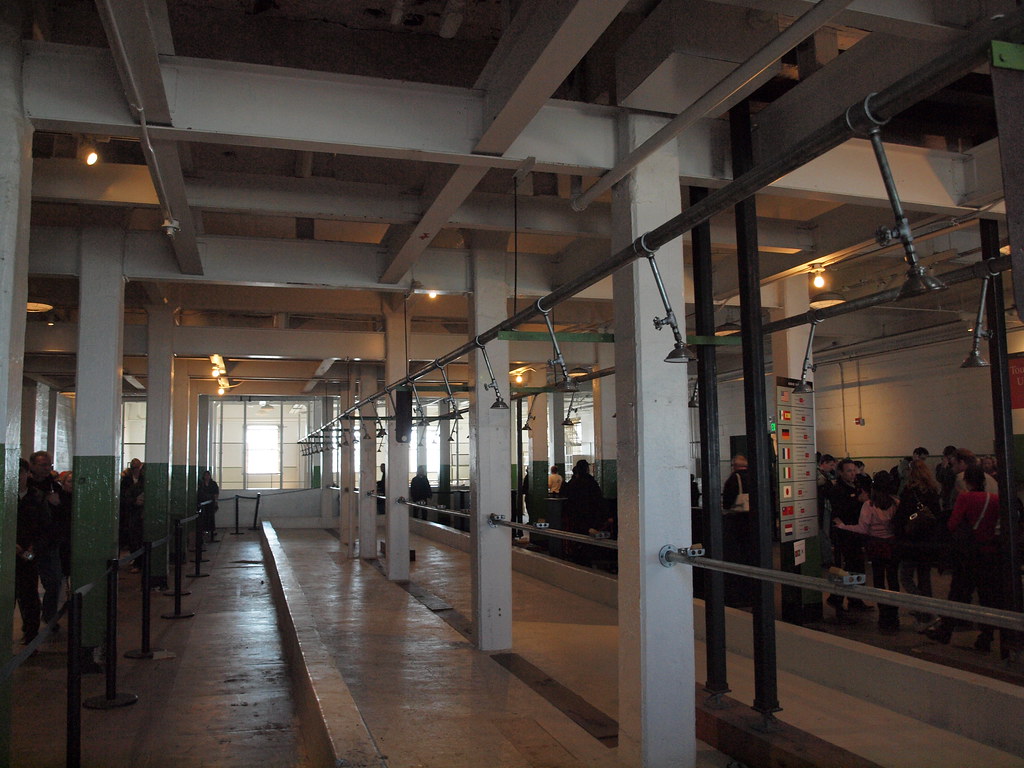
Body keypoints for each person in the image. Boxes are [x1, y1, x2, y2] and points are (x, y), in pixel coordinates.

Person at [926, 465, 1001, 651]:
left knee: (958, 593)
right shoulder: (994, 499)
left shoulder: (965, 497)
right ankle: (986, 636)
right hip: (987, 553)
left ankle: (945, 631)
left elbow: (952, 524)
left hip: (967, 555)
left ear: (966, 480)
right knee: (986, 597)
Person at [835, 472, 900, 634]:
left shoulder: (869, 505)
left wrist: (843, 526)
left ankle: (883, 615)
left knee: (878, 580)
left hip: (875, 545)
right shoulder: (896, 503)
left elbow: (862, 528)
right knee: (893, 579)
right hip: (892, 544)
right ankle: (894, 615)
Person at [893, 459, 943, 630]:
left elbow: (901, 517)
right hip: (928, 542)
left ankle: (925, 611)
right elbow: (938, 516)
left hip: (912, 542)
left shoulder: (908, 491)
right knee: (924, 578)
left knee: (906, 577)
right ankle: (927, 613)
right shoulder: (933, 490)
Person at [825, 459, 873, 619]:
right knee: (845, 567)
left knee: (857, 566)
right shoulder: (837, 489)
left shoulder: (858, 486)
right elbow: (840, 510)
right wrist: (857, 501)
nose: (853, 473)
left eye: (854, 470)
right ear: (841, 472)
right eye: (849, 471)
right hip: (843, 535)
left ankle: (855, 599)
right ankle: (836, 600)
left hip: (856, 533)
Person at [26, 451, 63, 631]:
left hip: (49, 542)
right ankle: (30, 625)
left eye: (49, 465)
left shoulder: (55, 487)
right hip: (28, 543)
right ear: (32, 466)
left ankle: (49, 615)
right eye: (42, 465)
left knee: (54, 581)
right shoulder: (26, 488)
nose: (47, 468)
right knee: (27, 585)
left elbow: (63, 513)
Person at [721, 455, 754, 606]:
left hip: (738, 520)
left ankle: (739, 592)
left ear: (734, 465)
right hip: (753, 521)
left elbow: (727, 503)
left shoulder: (734, 480)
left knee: (738, 554)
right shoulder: (755, 477)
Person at [562, 460, 607, 565]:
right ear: (587, 469)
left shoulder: (573, 483)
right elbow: (598, 500)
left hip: (576, 517)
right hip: (590, 516)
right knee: (589, 539)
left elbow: (568, 500)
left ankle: (578, 556)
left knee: (578, 538)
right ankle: (587, 557)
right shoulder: (592, 483)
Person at [119, 458, 145, 554]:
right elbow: (123, 496)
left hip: (135, 512)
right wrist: (134, 501)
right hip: (130, 511)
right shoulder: (126, 479)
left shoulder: (140, 479)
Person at [197, 470, 220, 542]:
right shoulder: (201, 484)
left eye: (208, 475)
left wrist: (215, 502)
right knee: (203, 517)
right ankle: (204, 530)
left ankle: (211, 531)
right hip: (203, 503)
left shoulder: (213, 484)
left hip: (211, 503)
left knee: (211, 517)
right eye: (205, 475)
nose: (207, 477)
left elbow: (216, 493)